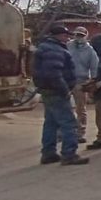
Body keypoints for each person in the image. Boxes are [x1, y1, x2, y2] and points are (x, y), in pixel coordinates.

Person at [32, 25, 89, 165]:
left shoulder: (45, 47)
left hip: (47, 90)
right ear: (57, 36)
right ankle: (69, 154)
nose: (67, 37)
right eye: (65, 35)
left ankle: (48, 153)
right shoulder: (54, 50)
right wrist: (65, 90)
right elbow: (54, 74)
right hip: (56, 91)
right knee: (69, 123)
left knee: (51, 123)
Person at [68, 26, 99, 141]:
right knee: (65, 107)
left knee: (81, 108)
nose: (78, 38)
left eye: (81, 35)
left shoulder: (90, 50)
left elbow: (94, 67)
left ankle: (80, 132)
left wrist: (92, 81)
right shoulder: (68, 46)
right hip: (67, 80)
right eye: (77, 35)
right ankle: (64, 131)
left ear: (86, 36)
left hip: (81, 81)